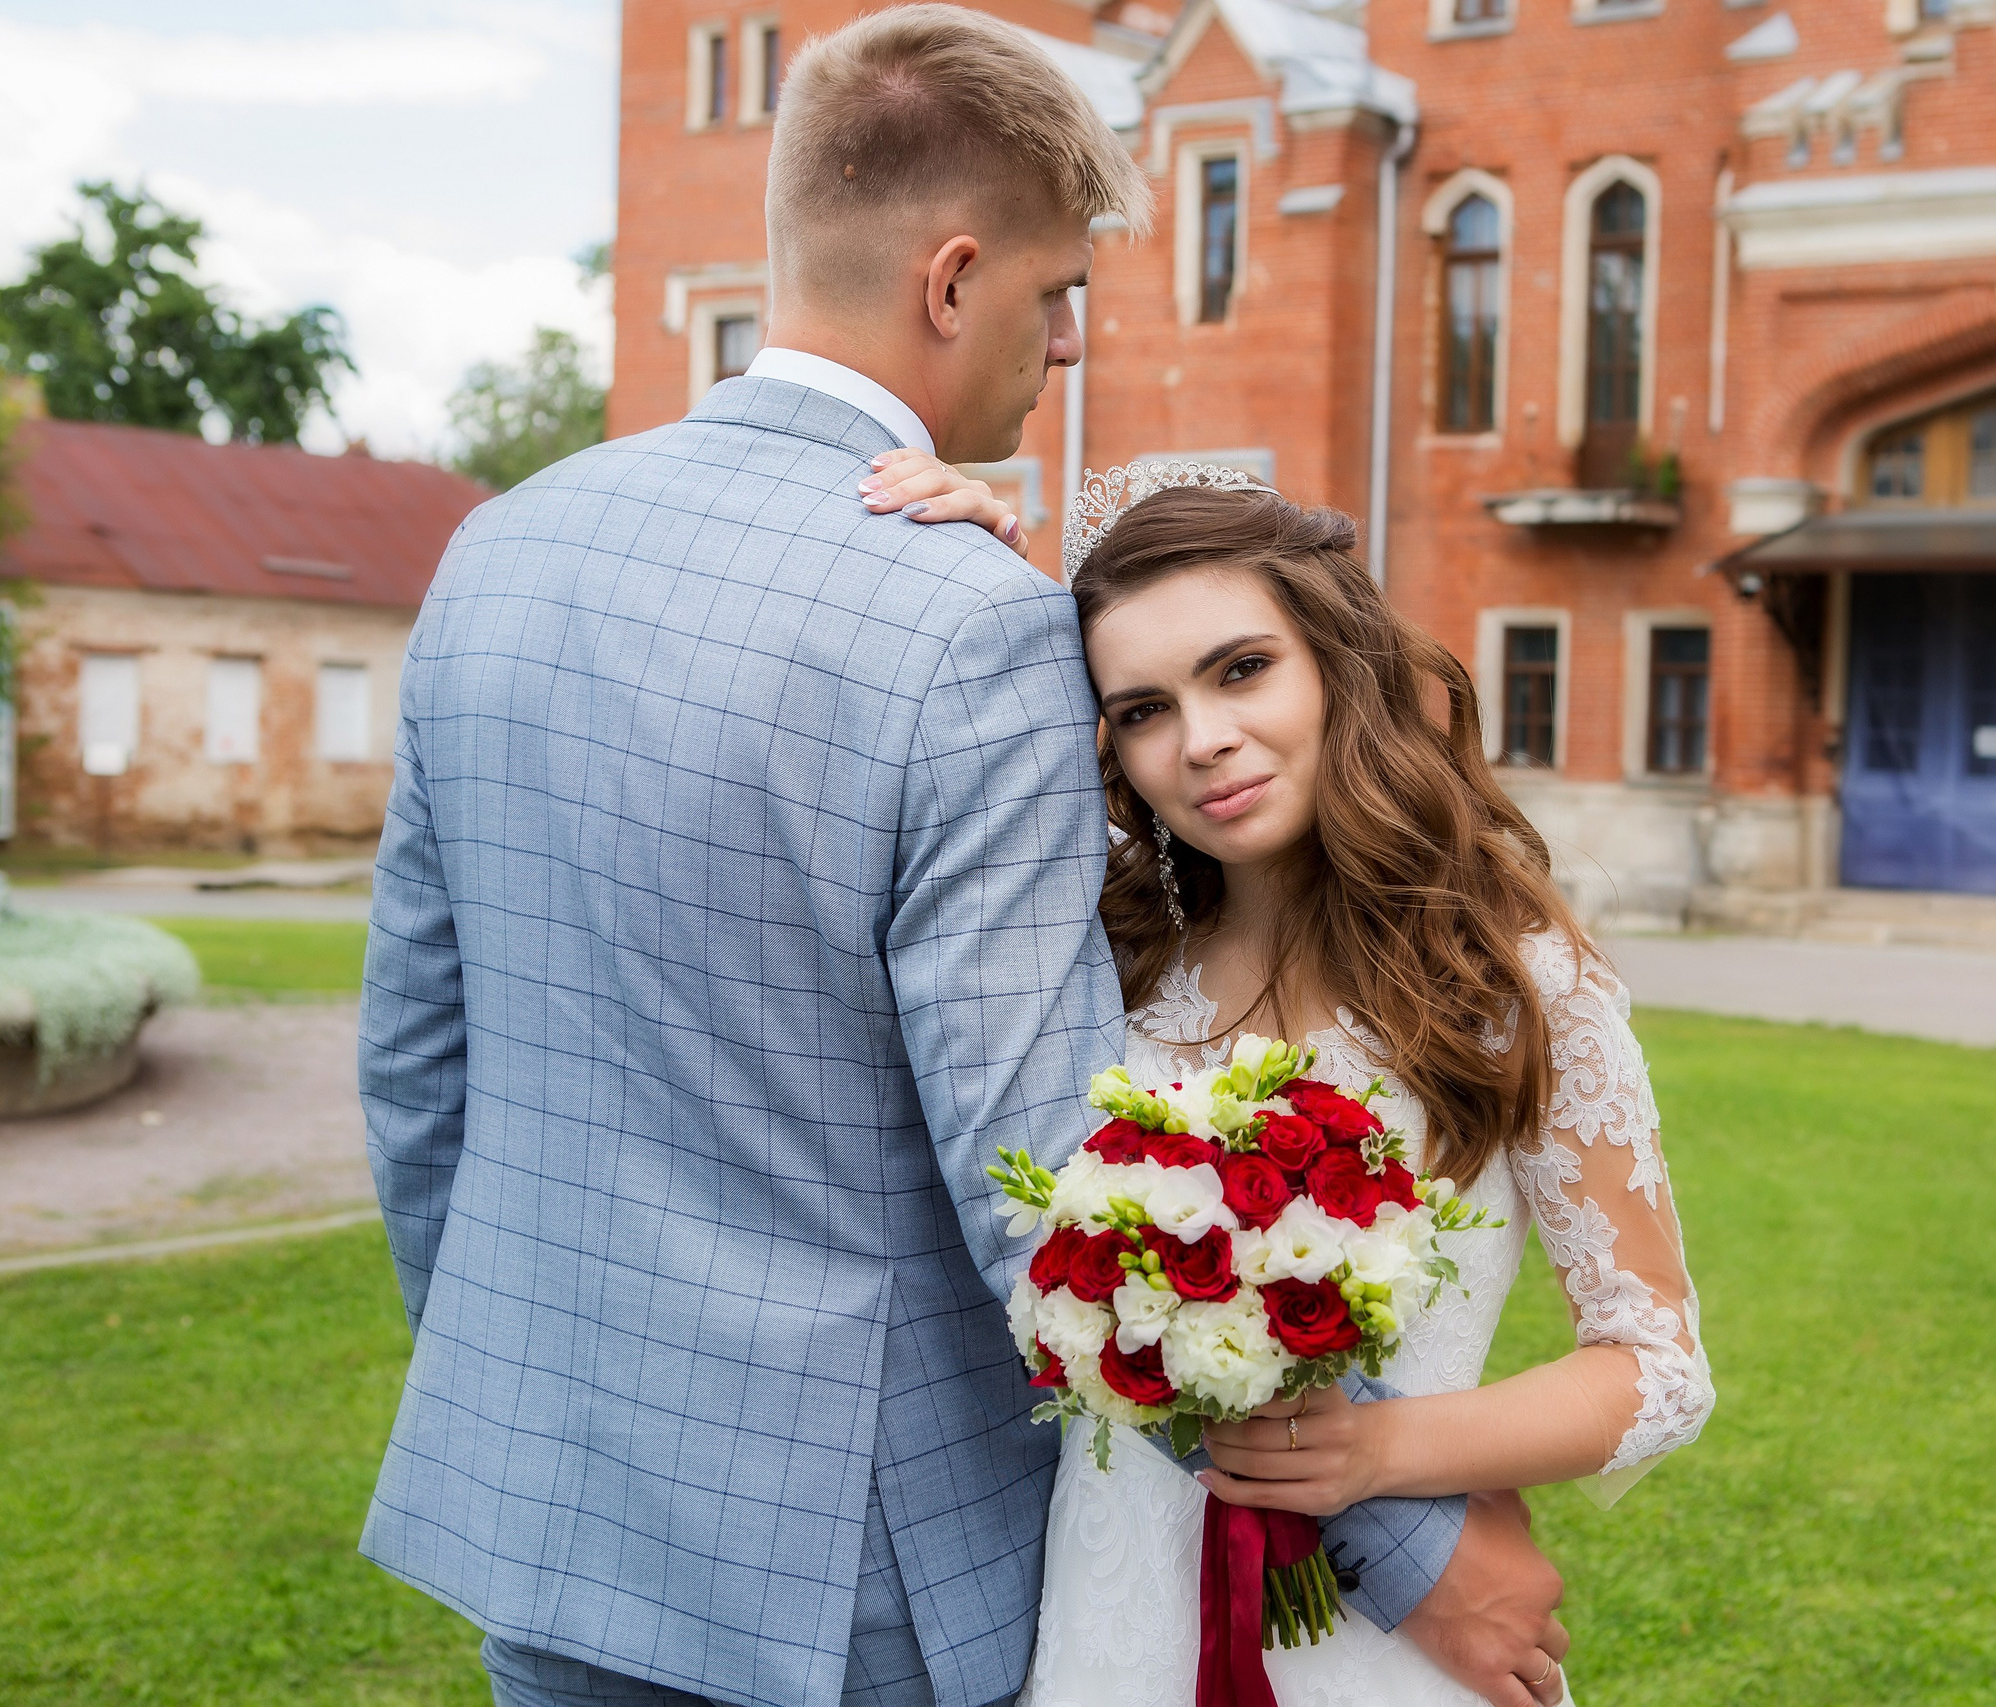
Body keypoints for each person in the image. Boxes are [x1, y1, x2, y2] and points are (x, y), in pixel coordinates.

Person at [357, 9, 1564, 1707]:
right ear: (950, 279)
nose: (1066, 343)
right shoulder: (968, 623)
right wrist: (1404, 1538)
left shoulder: (498, 550)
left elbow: (417, 1075)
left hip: (550, 1516)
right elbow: (1058, 1198)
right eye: (1057, 290)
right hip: (850, 1587)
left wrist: (535, 1382)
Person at [866, 458, 1717, 1707]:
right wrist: (972, 563)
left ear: (1336, 663)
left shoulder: (1510, 982)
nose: (1201, 740)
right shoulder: (1103, 962)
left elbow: (1658, 1364)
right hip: (1113, 1611)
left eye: (1241, 669)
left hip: (1375, 1640)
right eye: (1143, 708)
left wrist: (1379, 1446)